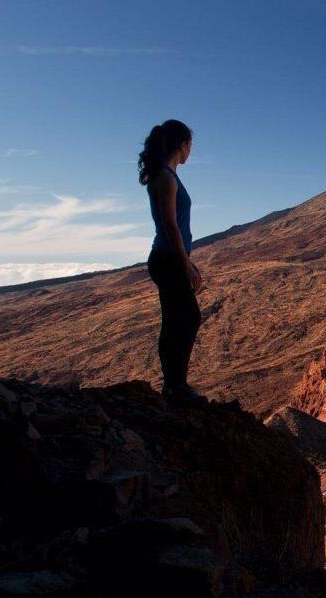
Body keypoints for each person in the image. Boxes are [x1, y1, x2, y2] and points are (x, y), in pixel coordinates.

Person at [139, 119, 206, 405]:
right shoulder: (166, 177)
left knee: (175, 320)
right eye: (190, 144)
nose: (191, 150)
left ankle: (173, 386)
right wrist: (185, 264)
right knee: (189, 317)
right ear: (182, 144)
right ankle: (176, 387)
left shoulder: (166, 175)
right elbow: (170, 225)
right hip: (168, 258)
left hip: (167, 258)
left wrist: (188, 261)